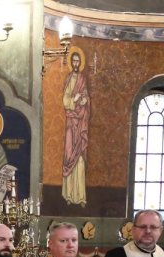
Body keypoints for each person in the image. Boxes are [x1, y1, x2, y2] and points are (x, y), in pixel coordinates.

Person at [61, 48, 90, 207]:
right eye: (74, 61)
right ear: (71, 62)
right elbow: (65, 100)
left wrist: (84, 100)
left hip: (81, 124)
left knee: (80, 159)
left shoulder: (83, 79)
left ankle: (80, 197)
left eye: (78, 61)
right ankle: (69, 195)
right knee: (69, 155)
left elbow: (86, 97)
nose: (76, 63)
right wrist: (74, 99)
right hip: (71, 124)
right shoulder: (69, 79)